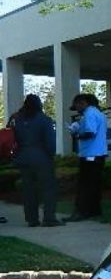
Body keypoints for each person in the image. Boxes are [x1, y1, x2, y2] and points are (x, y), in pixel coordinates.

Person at [11, 94, 63, 227]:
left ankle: (32, 219)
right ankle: (49, 218)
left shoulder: (18, 120)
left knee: (28, 190)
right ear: (39, 105)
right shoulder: (45, 120)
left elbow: (13, 138)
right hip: (42, 158)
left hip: (23, 158)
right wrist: (51, 156)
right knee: (48, 188)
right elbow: (50, 143)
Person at [65, 93, 108, 222]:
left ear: (83, 103)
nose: (76, 109)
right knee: (94, 185)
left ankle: (81, 212)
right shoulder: (99, 114)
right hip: (99, 154)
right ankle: (94, 211)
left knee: (84, 185)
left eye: (77, 106)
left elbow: (90, 132)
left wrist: (77, 135)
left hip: (90, 154)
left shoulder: (89, 114)